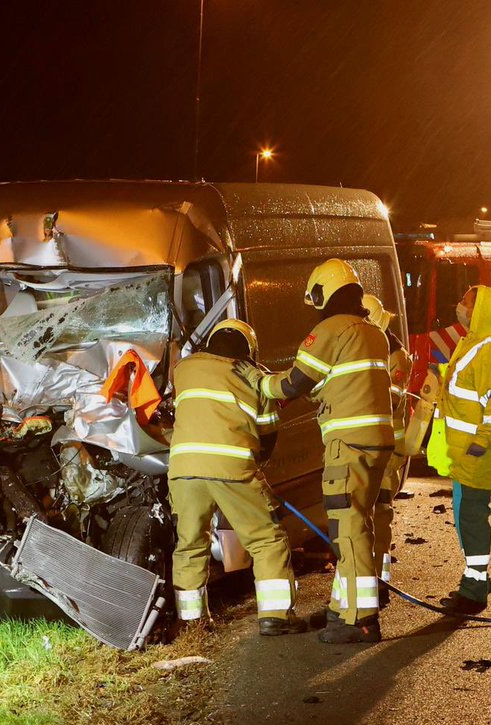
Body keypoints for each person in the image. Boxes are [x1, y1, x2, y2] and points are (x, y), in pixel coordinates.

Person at [249, 259, 393, 643]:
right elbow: (344, 384)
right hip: (378, 442)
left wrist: (260, 385)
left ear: (325, 293)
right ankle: (341, 608)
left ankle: (360, 620)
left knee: (348, 531)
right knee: (361, 522)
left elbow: (295, 383)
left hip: (348, 444)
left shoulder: (330, 329)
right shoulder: (373, 333)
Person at [168, 319, 307, 636]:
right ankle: (276, 616)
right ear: (250, 352)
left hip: (183, 469)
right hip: (232, 468)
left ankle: (192, 622)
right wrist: (257, 467)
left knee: (190, 542)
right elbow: (268, 432)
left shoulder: (184, 370)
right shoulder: (255, 379)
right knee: (266, 538)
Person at [427, 285, 491, 616]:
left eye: (464, 301)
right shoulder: (472, 344)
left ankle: (474, 589)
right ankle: (477, 581)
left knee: (473, 519)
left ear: (479, 310)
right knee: (467, 517)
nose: (459, 305)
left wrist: (480, 445)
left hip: (477, 453)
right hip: (465, 453)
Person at [361, 293, 412, 605]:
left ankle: (378, 584)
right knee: (360, 517)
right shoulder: (376, 350)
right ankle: (364, 578)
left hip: (384, 451)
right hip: (368, 447)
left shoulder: (394, 357)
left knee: (379, 516)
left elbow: (386, 400)